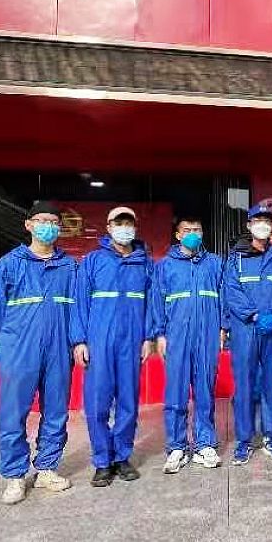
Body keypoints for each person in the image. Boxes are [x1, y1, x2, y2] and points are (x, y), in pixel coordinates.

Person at [0, 201, 77, 505]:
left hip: (59, 348)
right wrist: (13, 340)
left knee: (56, 409)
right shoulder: (8, 265)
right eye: (42, 220)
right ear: (28, 225)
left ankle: (47, 468)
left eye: (53, 222)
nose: (47, 226)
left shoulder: (69, 267)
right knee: (13, 411)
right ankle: (15, 475)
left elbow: (78, 310)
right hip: (19, 348)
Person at [72, 206, 155, 487]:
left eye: (128, 223)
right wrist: (80, 340)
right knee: (97, 403)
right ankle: (102, 461)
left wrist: (148, 337)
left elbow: (152, 303)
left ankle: (121, 457)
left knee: (128, 402)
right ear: (108, 228)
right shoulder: (93, 261)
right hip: (99, 340)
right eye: (118, 223)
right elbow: (79, 302)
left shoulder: (144, 262)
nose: (124, 228)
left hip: (132, 339)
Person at [222, 204, 272, 465]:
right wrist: (253, 315)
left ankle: (271, 437)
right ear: (249, 225)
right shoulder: (236, 259)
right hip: (245, 328)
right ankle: (244, 440)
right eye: (258, 220)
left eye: (267, 221)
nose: (263, 225)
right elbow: (231, 291)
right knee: (244, 383)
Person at [151, 216, 224, 473]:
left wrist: (223, 328)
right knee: (176, 392)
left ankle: (205, 444)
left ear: (202, 233)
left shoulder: (214, 263)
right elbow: (156, 301)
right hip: (177, 336)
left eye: (197, 229)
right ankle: (177, 447)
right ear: (178, 235)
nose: (193, 233)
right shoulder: (164, 266)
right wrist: (160, 334)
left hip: (207, 334)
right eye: (187, 230)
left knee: (205, 390)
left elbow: (223, 298)